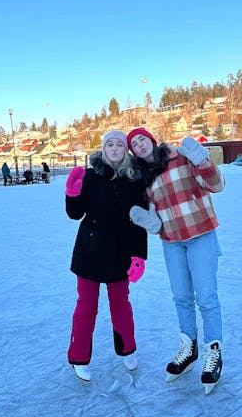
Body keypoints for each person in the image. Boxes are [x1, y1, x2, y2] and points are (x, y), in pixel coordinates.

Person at [127, 127, 225, 394]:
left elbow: (217, 185)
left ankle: (213, 352)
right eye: (134, 144)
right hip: (171, 241)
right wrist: (151, 223)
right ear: (133, 152)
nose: (139, 144)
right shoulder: (143, 178)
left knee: (206, 297)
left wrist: (204, 163)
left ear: (151, 140)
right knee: (181, 297)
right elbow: (152, 216)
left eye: (141, 139)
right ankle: (188, 347)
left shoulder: (180, 157)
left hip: (201, 233)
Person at [65, 130, 148, 382]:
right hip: (90, 250)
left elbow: (139, 219)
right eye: (109, 145)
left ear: (125, 150)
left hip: (121, 251)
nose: (114, 149)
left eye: (119, 145)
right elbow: (74, 214)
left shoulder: (135, 179)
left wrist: (139, 256)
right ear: (103, 149)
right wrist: (72, 193)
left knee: (121, 305)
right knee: (86, 306)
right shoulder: (90, 176)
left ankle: (127, 350)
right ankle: (78, 356)